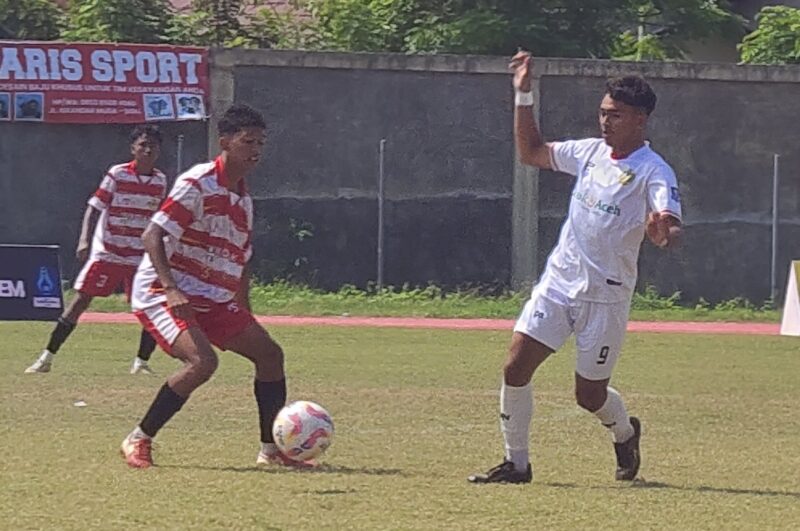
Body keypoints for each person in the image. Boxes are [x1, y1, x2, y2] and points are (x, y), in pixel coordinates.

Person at [468, 51, 683, 484]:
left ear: (640, 119)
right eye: (603, 113)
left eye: (616, 115)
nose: (605, 122)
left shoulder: (654, 172)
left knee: (589, 395)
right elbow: (531, 152)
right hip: (559, 284)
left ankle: (624, 431)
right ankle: (517, 463)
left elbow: (668, 225)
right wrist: (523, 94)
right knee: (515, 367)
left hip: (605, 297)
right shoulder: (588, 153)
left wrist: (662, 233)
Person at [120, 104, 307, 470]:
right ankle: (138, 438)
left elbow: (241, 262)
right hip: (162, 290)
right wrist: (172, 290)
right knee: (203, 362)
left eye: (261, 143)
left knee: (270, 355)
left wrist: (245, 310)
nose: (256, 150)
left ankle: (271, 451)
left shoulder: (243, 198)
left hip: (213, 297)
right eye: (247, 141)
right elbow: (152, 235)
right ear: (224, 142)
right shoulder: (199, 183)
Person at [25, 125, 168, 375]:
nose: (147, 149)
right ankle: (46, 358)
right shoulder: (118, 174)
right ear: (133, 148)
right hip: (109, 252)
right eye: (142, 144)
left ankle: (141, 363)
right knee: (81, 300)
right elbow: (95, 207)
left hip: (139, 256)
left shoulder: (160, 180)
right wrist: (85, 240)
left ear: (159, 150)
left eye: (152, 145)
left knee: (152, 305)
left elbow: (158, 219)